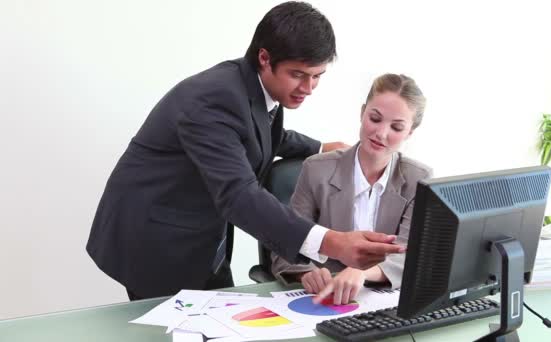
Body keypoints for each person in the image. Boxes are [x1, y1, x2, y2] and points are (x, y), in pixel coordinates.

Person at [86, 1, 404, 301]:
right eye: (298, 75)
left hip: (204, 239)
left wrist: (318, 146)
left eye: (317, 77)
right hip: (156, 241)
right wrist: (332, 242)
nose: (308, 89)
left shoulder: (256, 87)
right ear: (265, 58)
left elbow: (258, 134)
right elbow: (239, 195)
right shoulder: (212, 100)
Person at [271, 73, 433, 305]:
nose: (381, 133)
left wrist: (362, 272)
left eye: (396, 127)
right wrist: (305, 273)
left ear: (410, 132)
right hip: (323, 297)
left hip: (382, 301)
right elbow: (285, 242)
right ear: (362, 113)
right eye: (375, 119)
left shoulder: (419, 179)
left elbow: (411, 255)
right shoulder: (317, 169)